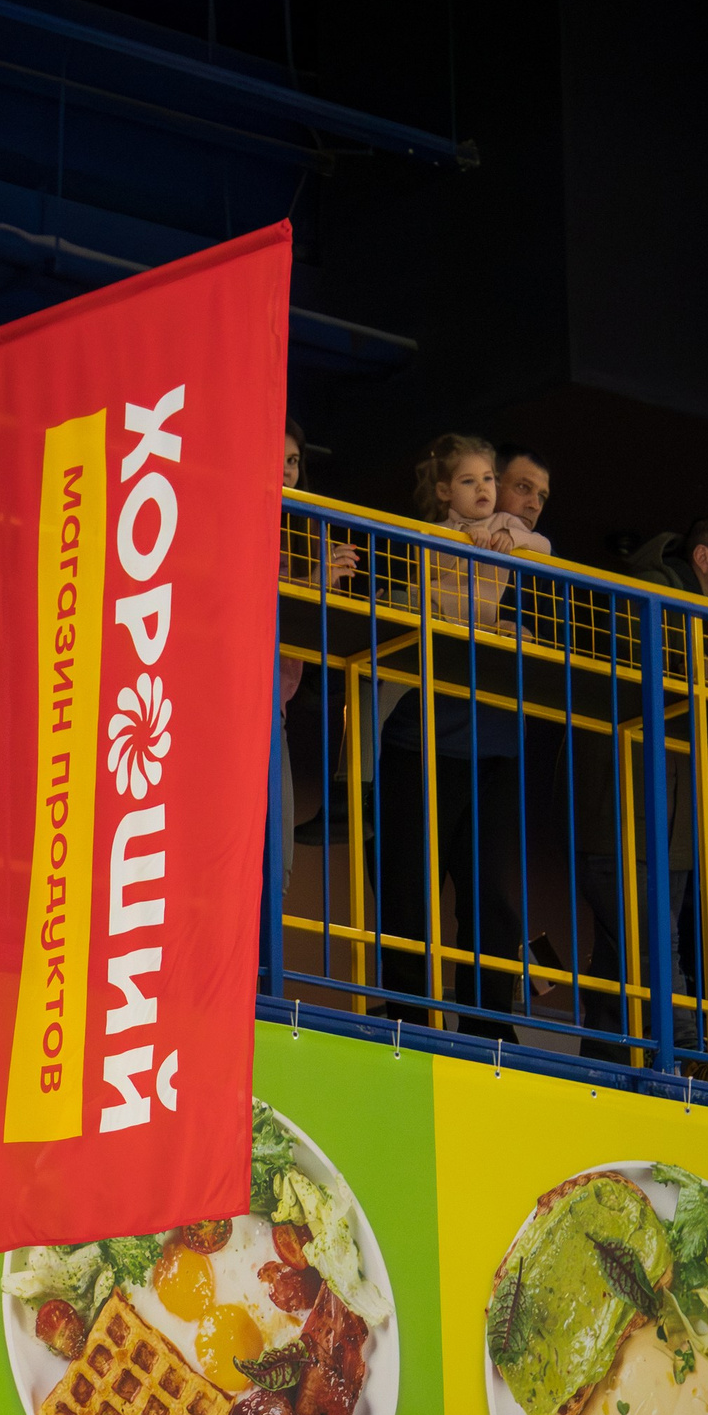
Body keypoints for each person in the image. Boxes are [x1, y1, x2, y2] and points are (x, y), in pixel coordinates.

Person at [378, 435, 550, 1030]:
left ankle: (488, 1027)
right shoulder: (429, 537)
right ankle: (407, 1019)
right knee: (409, 890)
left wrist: (507, 543)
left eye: (490, 481)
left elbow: (542, 550)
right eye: (478, 481)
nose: (526, 501)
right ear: (447, 490)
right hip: (421, 740)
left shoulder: (517, 541)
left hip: (494, 750)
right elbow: (406, 591)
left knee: (493, 898)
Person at [275, 417, 357, 891]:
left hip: (277, 707)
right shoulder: (233, 514)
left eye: (293, 460)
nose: (287, 470)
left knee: (278, 863)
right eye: (277, 457)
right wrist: (312, 583)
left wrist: (333, 589)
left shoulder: (306, 530)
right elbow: (239, 598)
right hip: (233, 700)